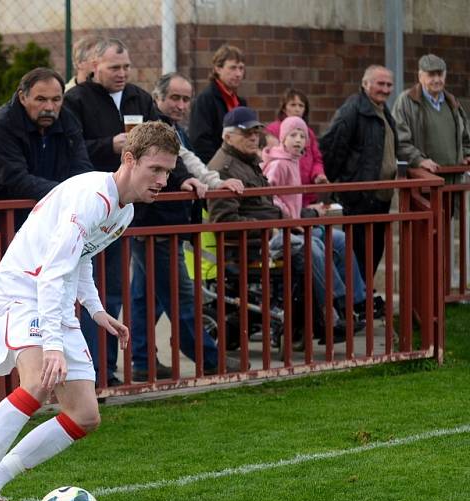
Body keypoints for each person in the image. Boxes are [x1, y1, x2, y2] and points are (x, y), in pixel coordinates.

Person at [0, 121, 181, 501]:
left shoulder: (123, 210)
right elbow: (53, 271)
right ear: (129, 159)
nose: (163, 181)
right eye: (155, 170)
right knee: (37, 383)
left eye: (168, 172)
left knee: (85, 414)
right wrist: (53, 343)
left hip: (51, 296)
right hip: (23, 290)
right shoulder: (91, 197)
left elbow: (81, 259)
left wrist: (95, 311)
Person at [64, 38, 207, 387]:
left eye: (126, 67)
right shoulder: (75, 101)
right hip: (93, 208)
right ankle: (98, 372)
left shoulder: (139, 98)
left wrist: (185, 179)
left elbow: (168, 143)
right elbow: (69, 149)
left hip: (132, 211)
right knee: (97, 293)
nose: (122, 73)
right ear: (94, 66)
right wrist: (106, 146)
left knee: (129, 294)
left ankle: (122, 366)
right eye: (115, 67)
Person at [125, 72, 244, 379]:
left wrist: (213, 181)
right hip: (156, 224)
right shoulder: (153, 131)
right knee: (181, 295)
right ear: (157, 98)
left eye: (186, 98)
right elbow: (181, 164)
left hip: (161, 224)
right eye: (173, 98)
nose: (180, 105)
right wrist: (212, 181)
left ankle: (141, 362)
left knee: (144, 298)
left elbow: (189, 161)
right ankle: (209, 359)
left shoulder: (176, 130)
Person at [208, 107, 348, 343]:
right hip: (250, 245)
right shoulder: (224, 169)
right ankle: (328, 316)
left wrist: (297, 218)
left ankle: (339, 308)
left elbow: (270, 204)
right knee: (310, 247)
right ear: (228, 136)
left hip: (274, 230)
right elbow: (224, 221)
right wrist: (270, 227)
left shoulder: (248, 160)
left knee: (327, 239)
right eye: (247, 133)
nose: (254, 137)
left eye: (256, 132)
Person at [262, 116, 366, 321]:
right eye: (293, 135)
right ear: (282, 139)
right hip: (284, 227)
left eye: (302, 136)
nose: (298, 139)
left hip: (296, 223)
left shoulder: (293, 161)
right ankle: (336, 304)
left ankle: (356, 301)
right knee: (317, 246)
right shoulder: (279, 164)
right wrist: (289, 216)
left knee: (339, 239)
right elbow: (269, 195)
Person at [0, 67, 93, 231]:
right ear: (23, 97)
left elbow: (81, 168)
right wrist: (65, 193)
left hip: (49, 222)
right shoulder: (2, 125)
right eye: (41, 99)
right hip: (2, 225)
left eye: (56, 99)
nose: (49, 107)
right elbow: (15, 179)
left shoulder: (67, 120)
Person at [320, 65, 398, 286]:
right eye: (380, 83)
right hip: (360, 198)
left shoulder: (381, 109)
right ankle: (355, 306)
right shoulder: (354, 109)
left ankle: (362, 301)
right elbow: (332, 146)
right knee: (358, 256)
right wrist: (333, 187)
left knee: (374, 253)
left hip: (380, 199)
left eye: (389, 84)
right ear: (365, 84)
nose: (385, 89)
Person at [392, 54, 470, 178]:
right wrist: (419, 160)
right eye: (431, 75)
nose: (437, 79)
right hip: (424, 181)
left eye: (440, 74)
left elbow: (465, 137)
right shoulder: (406, 101)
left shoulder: (453, 102)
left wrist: (466, 154)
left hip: (453, 182)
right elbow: (399, 141)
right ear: (420, 76)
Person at [264, 88, 329, 207]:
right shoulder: (273, 130)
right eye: (293, 105)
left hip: (306, 193)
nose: (297, 109)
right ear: (284, 108)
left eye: (301, 105)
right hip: (286, 198)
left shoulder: (309, 132)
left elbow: (316, 159)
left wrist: (318, 175)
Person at [188, 44, 248, 163]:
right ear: (218, 68)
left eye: (241, 68)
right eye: (233, 68)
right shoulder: (205, 100)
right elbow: (200, 142)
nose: (238, 74)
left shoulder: (241, 102)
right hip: (216, 168)